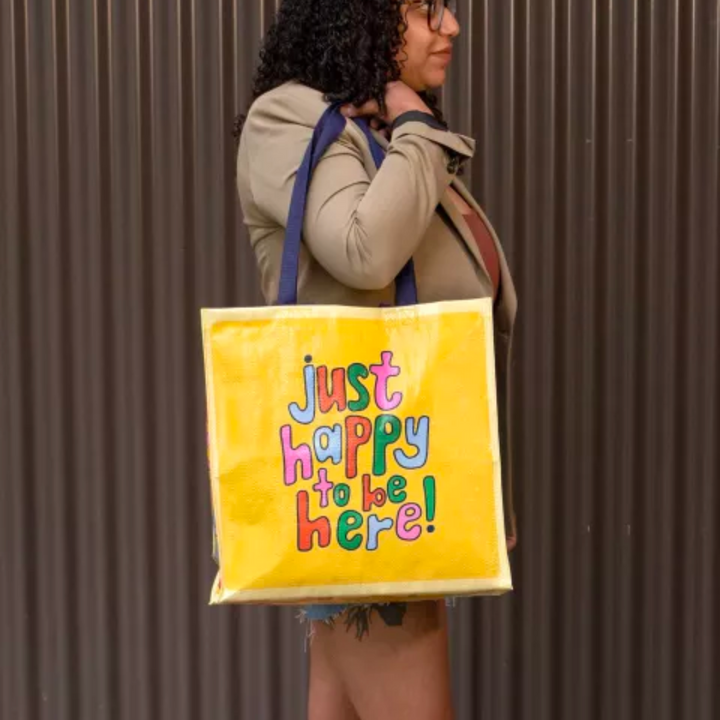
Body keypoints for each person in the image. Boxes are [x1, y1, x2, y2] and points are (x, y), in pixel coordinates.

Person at [234, 1, 517, 718]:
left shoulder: (375, 128)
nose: (450, 27)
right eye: (425, 11)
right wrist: (419, 128)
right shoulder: (293, 118)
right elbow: (365, 252)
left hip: (397, 471)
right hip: (367, 474)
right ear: (360, 18)